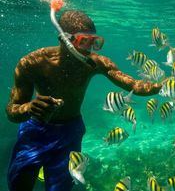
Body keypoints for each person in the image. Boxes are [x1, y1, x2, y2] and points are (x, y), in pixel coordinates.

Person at [6, 10, 162, 191]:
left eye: (94, 42)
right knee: (18, 184)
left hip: (70, 131)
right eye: (83, 41)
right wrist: (29, 108)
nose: (88, 49)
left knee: (61, 188)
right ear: (64, 39)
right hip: (34, 131)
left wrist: (163, 85)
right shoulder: (32, 63)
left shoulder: (96, 63)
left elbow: (134, 85)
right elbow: (12, 111)